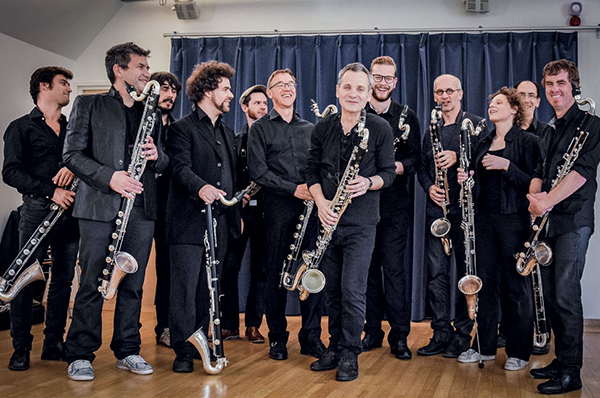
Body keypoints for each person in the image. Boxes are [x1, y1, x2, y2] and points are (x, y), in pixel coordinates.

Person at [63, 42, 167, 381]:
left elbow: (165, 161)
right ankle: (79, 353)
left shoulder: (150, 112)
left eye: (146, 67)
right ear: (118, 70)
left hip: (141, 210)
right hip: (98, 207)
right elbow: (72, 156)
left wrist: (156, 156)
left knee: (133, 284)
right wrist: (111, 177)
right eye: (139, 66)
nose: (146, 73)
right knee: (92, 282)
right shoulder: (89, 104)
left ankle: (128, 349)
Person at [306, 62, 396, 381]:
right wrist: (320, 203)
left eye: (360, 88)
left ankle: (349, 353)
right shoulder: (323, 128)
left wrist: (368, 183)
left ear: (369, 93)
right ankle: (334, 346)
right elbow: (311, 171)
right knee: (331, 291)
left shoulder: (381, 128)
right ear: (337, 91)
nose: (353, 93)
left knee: (352, 289)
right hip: (328, 220)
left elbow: (388, 173)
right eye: (348, 87)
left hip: (361, 224)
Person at [528, 59, 600, 395]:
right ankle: (560, 360)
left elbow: (581, 172)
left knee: (566, 294)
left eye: (561, 83)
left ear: (573, 84)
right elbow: (542, 172)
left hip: (573, 220)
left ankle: (571, 371)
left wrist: (547, 201)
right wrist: (534, 199)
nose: (555, 90)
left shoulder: (591, 125)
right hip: (547, 220)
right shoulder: (550, 129)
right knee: (551, 295)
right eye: (550, 85)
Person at [165, 60, 241, 373]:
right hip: (187, 221)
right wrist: (202, 188)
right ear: (208, 91)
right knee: (184, 289)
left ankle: (200, 341)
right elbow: (179, 168)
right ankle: (183, 351)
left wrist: (235, 212)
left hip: (219, 222)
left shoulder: (226, 131)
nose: (231, 95)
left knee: (206, 289)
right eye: (225, 88)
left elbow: (231, 177)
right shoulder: (181, 128)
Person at [456, 87, 538, 370]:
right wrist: (466, 178)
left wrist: (506, 166)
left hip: (514, 221)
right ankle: (484, 347)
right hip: (484, 221)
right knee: (485, 284)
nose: (492, 106)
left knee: (516, 287)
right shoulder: (482, 142)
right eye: (491, 102)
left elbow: (535, 184)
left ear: (514, 109)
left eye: (499, 103)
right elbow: (476, 183)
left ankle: (519, 351)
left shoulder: (528, 142)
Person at [2, 66, 79, 370]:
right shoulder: (20, 127)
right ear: (44, 87)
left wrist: (74, 166)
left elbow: (83, 162)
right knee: (25, 281)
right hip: (36, 210)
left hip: (71, 213)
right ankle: (20, 348)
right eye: (64, 84)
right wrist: (51, 192)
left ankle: (53, 343)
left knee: (62, 280)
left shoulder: (73, 128)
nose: (69, 89)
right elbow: (10, 172)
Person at [247, 68, 325, 361]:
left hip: (311, 209)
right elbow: (258, 171)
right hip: (278, 209)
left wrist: (313, 191)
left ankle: (311, 338)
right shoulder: (260, 128)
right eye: (280, 85)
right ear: (270, 93)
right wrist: (294, 189)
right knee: (275, 276)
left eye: (291, 84)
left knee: (311, 272)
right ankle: (277, 339)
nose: (287, 88)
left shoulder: (310, 129)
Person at [416, 74, 488, 358]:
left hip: (465, 212)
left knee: (464, 272)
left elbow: (484, 164)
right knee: (436, 275)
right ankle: (440, 332)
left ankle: (462, 333)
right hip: (438, 210)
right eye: (439, 92)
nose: (445, 96)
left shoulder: (475, 125)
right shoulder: (431, 128)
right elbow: (422, 168)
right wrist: (429, 187)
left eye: (450, 91)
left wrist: (459, 156)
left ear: (460, 93)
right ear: (434, 96)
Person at [362, 56, 421, 360]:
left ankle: (400, 337)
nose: (383, 83)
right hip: (362, 207)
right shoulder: (356, 114)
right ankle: (372, 332)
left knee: (394, 272)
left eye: (389, 78)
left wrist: (392, 168)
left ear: (396, 82)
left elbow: (416, 161)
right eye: (378, 77)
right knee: (368, 273)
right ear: (370, 78)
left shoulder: (407, 116)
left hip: (395, 207)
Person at [220, 84, 268, 343]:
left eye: (264, 103)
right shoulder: (233, 140)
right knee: (229, 268)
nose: (262, 107)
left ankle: (253, 325)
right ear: (244, 107)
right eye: (257, 103)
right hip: (238, 212)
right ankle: (229, 324)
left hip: (265, 213)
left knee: (261, 270)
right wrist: (240, 194)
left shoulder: (273, 139)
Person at [149, 71, 181, 348]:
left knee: (167, 271)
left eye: (173, 91)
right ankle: (128, 332)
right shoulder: (137, 124)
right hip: (137, 205)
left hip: (168, 207)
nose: (169, 95)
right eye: (164, 89)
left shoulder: (178, 129)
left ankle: (166, 327)